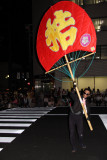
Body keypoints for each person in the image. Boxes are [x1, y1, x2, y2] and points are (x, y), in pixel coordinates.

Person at [69, 87, 91, 153]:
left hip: (79, 117)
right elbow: (71, 95)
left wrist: (88, 119)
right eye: (84, 93)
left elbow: (88, 112)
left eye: (87, 94)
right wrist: (73, 90)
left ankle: (81, 143)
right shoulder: (78, 96)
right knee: (72, 133)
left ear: (89, 95)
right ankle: (73, 146)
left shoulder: (87, 103)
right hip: (72, 117)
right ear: (83, 92)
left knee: (80, 133)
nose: (85, 94)